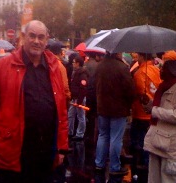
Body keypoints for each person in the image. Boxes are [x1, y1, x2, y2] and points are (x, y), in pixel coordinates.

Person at [0, 20, 69, 183]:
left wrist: (62, 147)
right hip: (13, 152)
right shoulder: (4, 66)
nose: (36, 41)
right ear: (23, 37)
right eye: (32, 36)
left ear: (46, 40)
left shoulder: (54, 68)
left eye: (41, 37)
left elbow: (61, 109)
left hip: (45, 152)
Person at [143, 60, 176, 183]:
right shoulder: (163, 89)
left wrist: (154, 111)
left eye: (163, 69)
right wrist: (149, 104)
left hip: (171, 147)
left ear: (171, 72)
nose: (160, 71)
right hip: (157, 142)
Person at [94, 52, 135, 182]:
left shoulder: (100, 66)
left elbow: (94, 84)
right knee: (115, 138)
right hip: (118, 109)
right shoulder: (122, 68)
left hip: (102, 107)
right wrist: (128, 104)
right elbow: (130, 90)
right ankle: (114, 166)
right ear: (117, 52)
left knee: (103, 135)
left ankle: (99, 164)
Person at [130, 53, 161, 178]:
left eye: (138, 56)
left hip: (140, 112)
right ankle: (149, 162)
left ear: (142, 57)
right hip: (154, 111)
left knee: (139, 139)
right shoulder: (157, 70)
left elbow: (139, 91)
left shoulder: (139, 73)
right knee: (150, 137)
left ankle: (142, 164)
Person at [68, 56, 88, 141]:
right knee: (70, 115)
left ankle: (80, 134)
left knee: (81, 116)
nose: (72, 64)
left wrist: (79, 100)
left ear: (78, 63)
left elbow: (83, 87)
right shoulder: (75, 72)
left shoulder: (82, 74)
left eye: (74, 62)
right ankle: (70, 132)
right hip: (74, 98)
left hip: (79, 98)